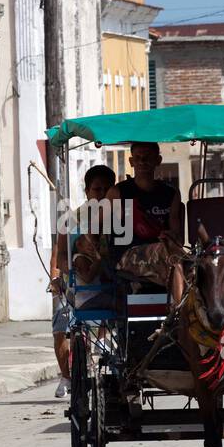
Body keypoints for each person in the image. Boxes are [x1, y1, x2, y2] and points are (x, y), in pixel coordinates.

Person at [48, 164, 116, 398]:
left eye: (106, 189)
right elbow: (61, 255)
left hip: (111, 282)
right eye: (96, 189)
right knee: (61, 324)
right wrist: (64, 274)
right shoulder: (72, 219)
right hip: (76, 284)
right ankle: (67, 376)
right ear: (87, 191)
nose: (101, 194)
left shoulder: (120, 218)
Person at [105, 141, 186, 302]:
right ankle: (178, 310)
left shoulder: (170, 193)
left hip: (164, 252)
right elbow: (96, 224)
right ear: (131, 162)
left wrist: (169, 237)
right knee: (171, 256)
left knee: (188, 261)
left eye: (147, 157)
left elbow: (178, 238)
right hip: (126, 254)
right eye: (138, 158)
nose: (142, 162)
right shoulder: (118, 192)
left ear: (158, 160)